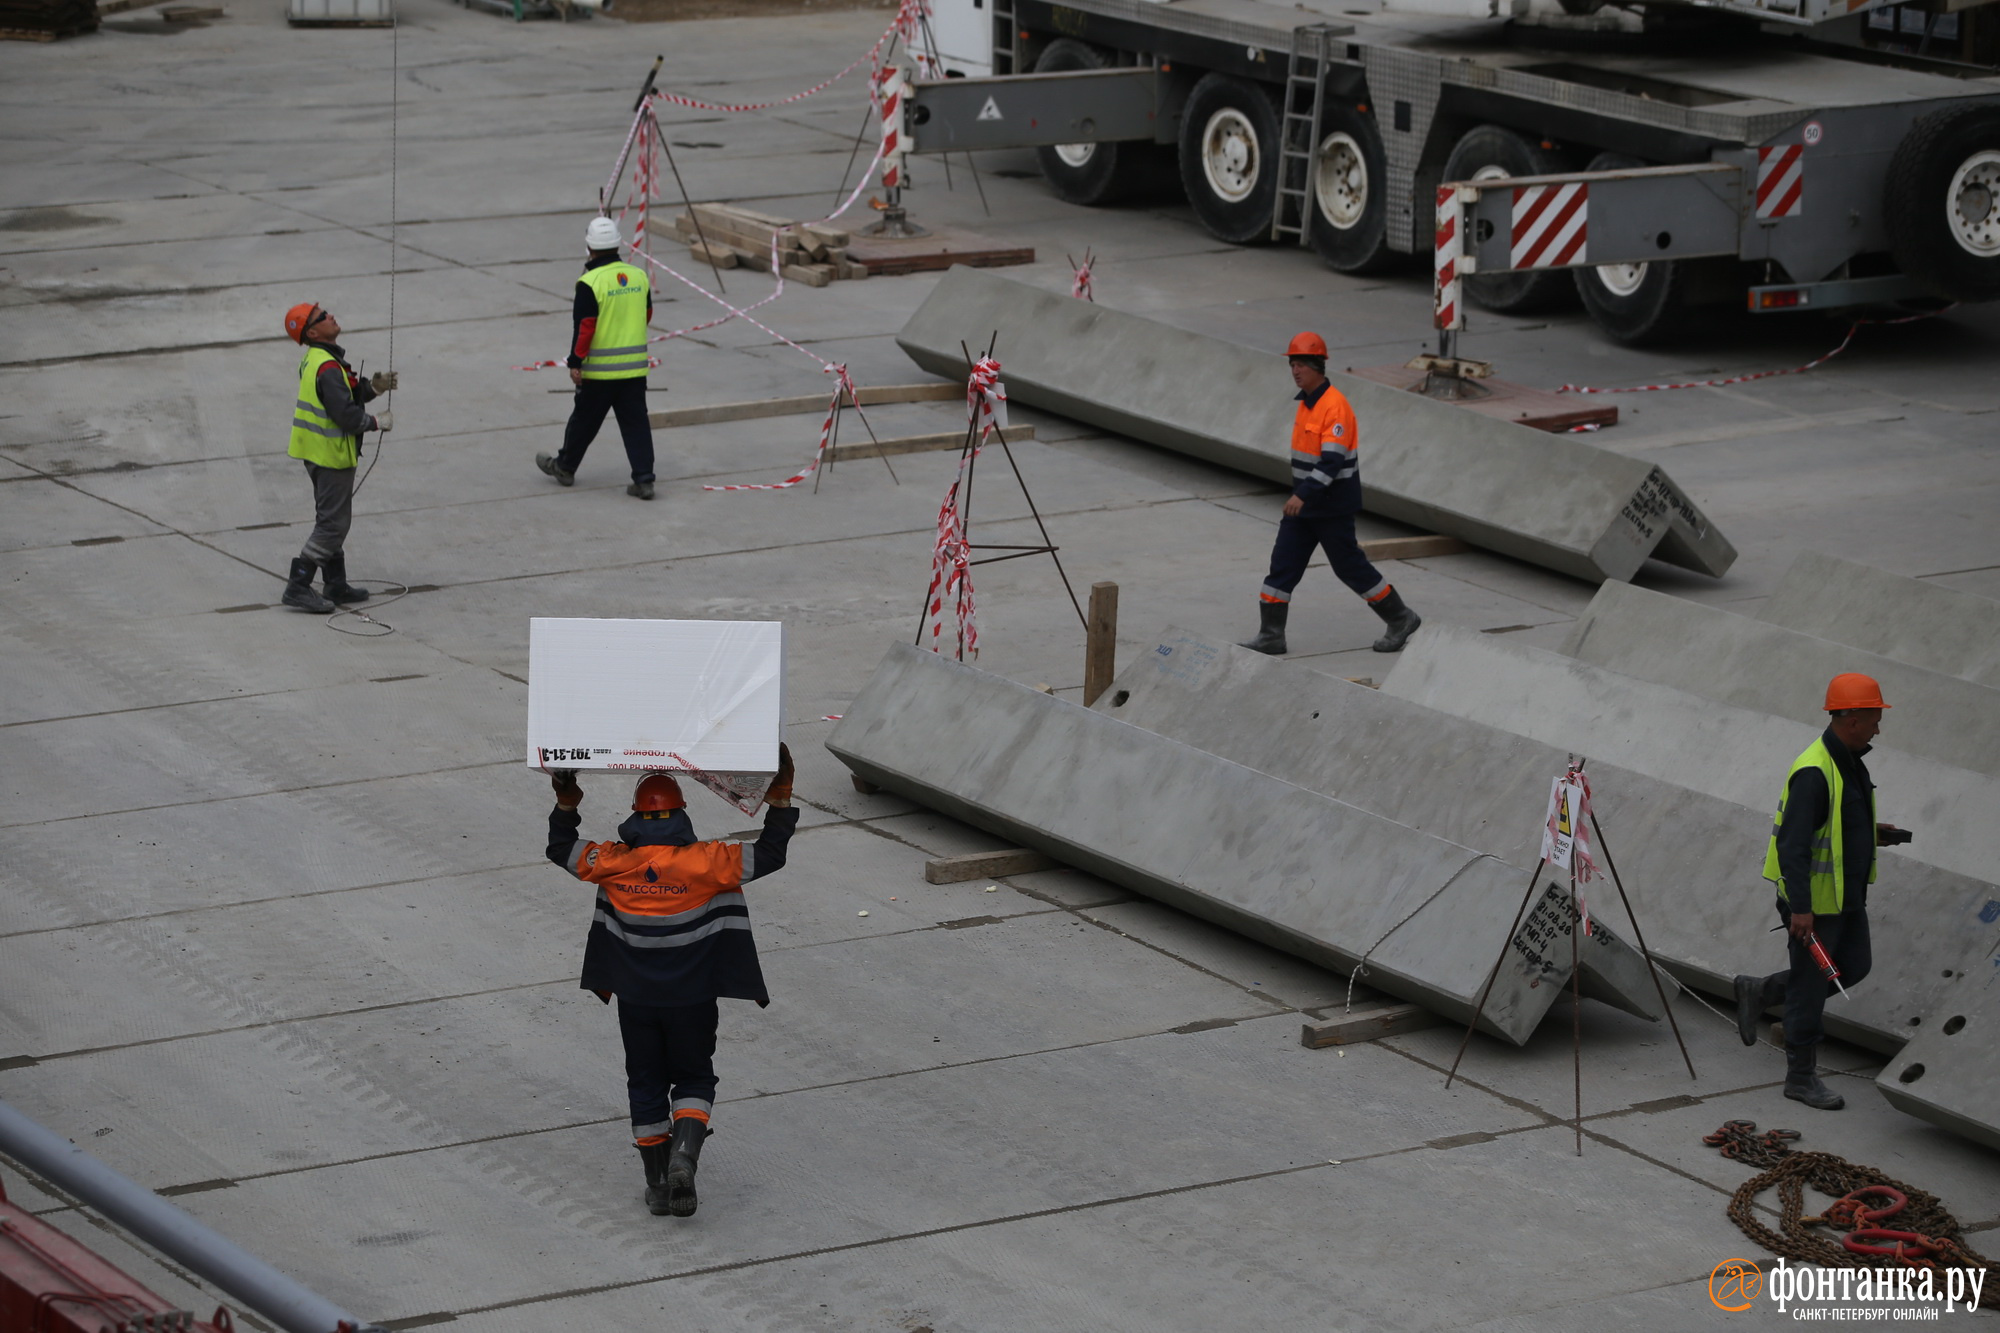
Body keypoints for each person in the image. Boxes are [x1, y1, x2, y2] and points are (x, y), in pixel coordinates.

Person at [544, 746, 799, 1216]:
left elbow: (561, 849)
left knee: (644, 1082)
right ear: (680, 813)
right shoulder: (710, 861)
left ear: (635, 817)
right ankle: (685, 1153)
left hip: (636, 1001)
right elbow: (771, 853)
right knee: (694, 1075)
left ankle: (659, 1184)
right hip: (692, 1000)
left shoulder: (612, 862)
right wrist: (779, 798)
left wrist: (567, 801)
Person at [1734, 673, 1911, 1110]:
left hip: (1846, 896)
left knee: (1854, 966)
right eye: (1874, 717)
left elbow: (1832, 824)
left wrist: (1870, 833)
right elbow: (1792, 846)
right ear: (1850, 718)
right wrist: (1801, 909)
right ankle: (1800, 1078)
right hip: (1813, 903)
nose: (1878, 727)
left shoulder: (1849, 759)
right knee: (1812, 988)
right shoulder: (1815, 770)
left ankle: (1762, 992)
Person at [1238, 332, 1421, 657]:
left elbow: (1332, 461)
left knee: (1349, 566)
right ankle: (1271, 635)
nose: (1295, 371)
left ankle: (1400, 618)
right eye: (1292, 365)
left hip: (1330, 506)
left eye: (1302, 365)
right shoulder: (1307, 405)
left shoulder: (1333, 407)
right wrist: (1303, 498)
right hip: (1306, 507)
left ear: (1318, 366)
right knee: (1282, 565)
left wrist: (1302, 495)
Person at [280, 302, 395, 613]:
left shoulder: (317, 359)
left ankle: (335, 584)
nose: (330, 315)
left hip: (316, 452)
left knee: (331, 518)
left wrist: (373, 387)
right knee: (333, 524)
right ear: (313, 331)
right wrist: (375, 422)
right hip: (330, 455)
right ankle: (298, 586)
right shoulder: (328, 366)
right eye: (322, 316)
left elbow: (344, 395)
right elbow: (344, 414)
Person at [536, 216, 658, 501]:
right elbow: (647, 315)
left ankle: (564, 467)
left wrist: (575, 361)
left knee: (584, 420)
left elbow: (586, 326)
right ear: (618, 244)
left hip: (600, 374)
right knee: (636, 424)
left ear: (589, 246)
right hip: (634, 372)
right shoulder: (638, 276)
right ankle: (644, 480)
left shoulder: (589, 282)